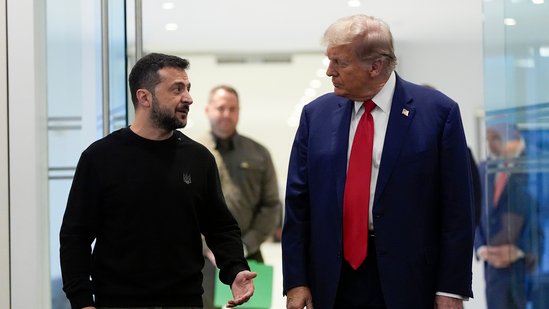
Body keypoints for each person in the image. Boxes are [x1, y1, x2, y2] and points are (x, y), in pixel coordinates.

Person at [282, 14, 474, 309]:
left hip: (410, 281)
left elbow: (457, 209)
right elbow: (298, 204)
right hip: (332, 279)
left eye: (340, 62)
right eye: (329, 60)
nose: (330, 72)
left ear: (376, 66)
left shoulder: (437, 113)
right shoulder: (315, 116)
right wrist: (296, 280)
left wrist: (451, 288)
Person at [59, 53, 256, 309]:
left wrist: (235, 270)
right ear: (144, 97)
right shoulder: (100, 158)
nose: (189, 98)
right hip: (118, 301)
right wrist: (82, 301)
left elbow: (221, 228)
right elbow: (75, 236)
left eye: (188, 88)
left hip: (185, 302)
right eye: (177, 89)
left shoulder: (198, 159)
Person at [199, 85, 282, 309]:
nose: (226, 114)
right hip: (202, 263)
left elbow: (271, 205)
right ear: (208, 110)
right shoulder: (193, 154)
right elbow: (182, 209)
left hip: (250, 259)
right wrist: (208, 247)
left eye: (232, 109)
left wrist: (244, 246)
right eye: (221, 108)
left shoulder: (258, 153)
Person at [475, 123, 542, 309]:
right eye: (487, 139)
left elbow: (543, 214)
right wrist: (481, 248)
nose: (490, 144)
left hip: (527, 271)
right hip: (493, 274)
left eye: (495, 138)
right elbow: (473, 212)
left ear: (513, 135)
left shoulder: (537, 163)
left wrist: (520, 250)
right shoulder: (483, 168)